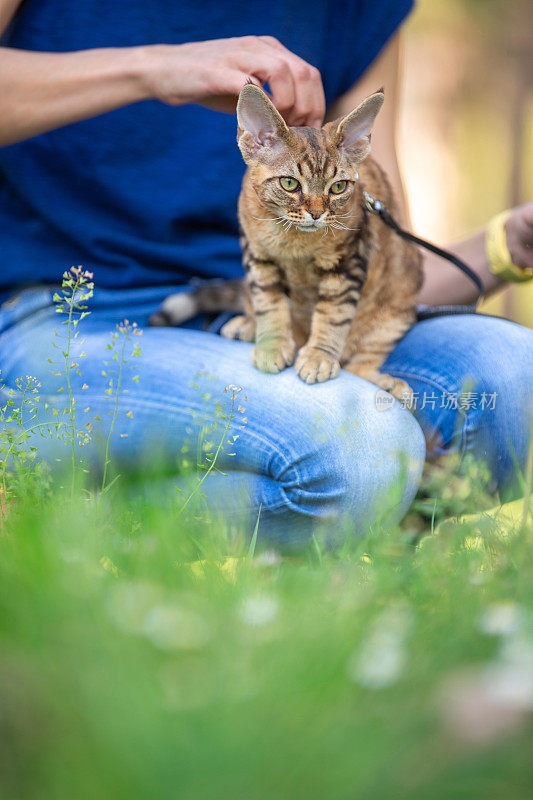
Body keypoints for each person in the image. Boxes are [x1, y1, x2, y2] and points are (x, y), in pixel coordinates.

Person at [0, 0, 532, 547]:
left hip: (270, 318)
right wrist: (156, 69)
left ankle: (315, 509)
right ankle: (75, 520)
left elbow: (383, 278)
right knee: (361, 445)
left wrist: (505, 246)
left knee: (514, 377)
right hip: (65, 318)